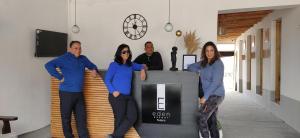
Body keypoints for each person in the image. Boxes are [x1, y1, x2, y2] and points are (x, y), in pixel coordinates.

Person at [45, 41, 98, 138]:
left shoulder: (83, 59)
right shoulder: (63, 58)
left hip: (79, 94)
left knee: (81, 118)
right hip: (66, 94)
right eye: (75, 48)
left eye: (79, 48)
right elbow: (48, 65)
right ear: (70, 49)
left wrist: (94, 69)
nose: (78, 50)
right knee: (66, 118)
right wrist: (60, 77)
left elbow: (92, 65)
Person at [105, 44, 147, 138]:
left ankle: (113, 136)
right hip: (117, 96)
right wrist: (113, 91)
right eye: (124, 52)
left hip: (128, 96)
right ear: (119, 53)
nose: (126, 53)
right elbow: (107, 79)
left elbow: (142, 66)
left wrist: (142, 69)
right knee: (119, 119)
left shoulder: (130, 65)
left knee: (132, 116)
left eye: (128, 51)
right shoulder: (114, 65)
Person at [188, 41, 225, 138]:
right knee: (211, 120)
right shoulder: (204, 63)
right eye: (207, 51)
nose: (209, 53)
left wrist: (205, 97)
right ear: (204, 52)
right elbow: (190, 67)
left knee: (200, 117)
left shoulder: (218, 64)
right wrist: (199, 69)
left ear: (215, 51)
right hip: (209, 95)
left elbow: (216, 83)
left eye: (211, 50)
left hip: (216, 94)